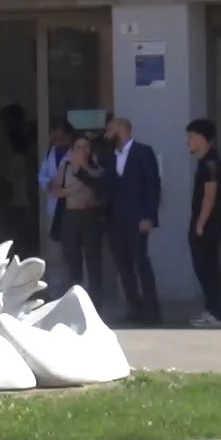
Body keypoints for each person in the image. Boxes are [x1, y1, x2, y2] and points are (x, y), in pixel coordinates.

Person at [103, 118, 162, 325]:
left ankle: (151, 309)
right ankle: (134, 307)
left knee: (141, 263)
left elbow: (153, 186)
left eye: (110, 129)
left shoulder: (143, 152)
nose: (106, 133)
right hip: (115, 220)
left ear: (121, 128)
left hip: (137, 219)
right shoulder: (110, 156)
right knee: (123, 265)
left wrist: (149, 217)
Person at [53, 134, 105, 305]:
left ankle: (96, 300)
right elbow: (56, 190)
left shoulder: (96, 168)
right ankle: (74, 299)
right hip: (71, 215)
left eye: (85, 147)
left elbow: (100, 189)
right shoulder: (66, 166)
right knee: (72, 258)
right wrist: (73, 189)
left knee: (93, 258)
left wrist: (84, 170)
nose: (82, 150)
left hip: (90, 216)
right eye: (78, 147)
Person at [187, 119, 221, 329]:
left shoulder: (211, 163)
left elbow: (209, 196)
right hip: (202, 223)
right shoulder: (203, 162)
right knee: (202, 268)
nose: (188, 141)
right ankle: (210, 309)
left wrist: (201, 223)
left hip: (208, 225)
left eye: (192, 137)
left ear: (203, 138)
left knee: (208, 268)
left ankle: (215, 313)